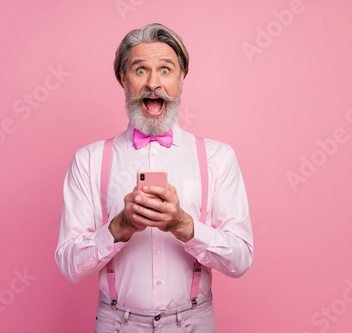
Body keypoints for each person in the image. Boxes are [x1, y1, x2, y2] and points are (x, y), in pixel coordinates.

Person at [55, 23, 253, 332]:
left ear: (181, 77)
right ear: (123, 78)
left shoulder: (218, 158)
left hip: (193, 323)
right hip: (116, 324)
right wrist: (118, 228)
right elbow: (69, 264)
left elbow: (240, 260)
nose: (153, 84)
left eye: (165, 70)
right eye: (140, 70)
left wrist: (184, 226)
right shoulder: (89, 161)